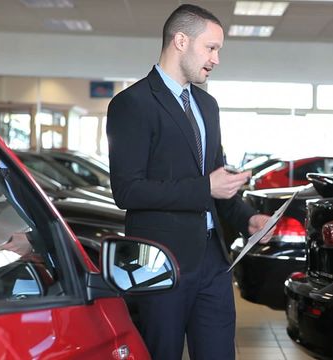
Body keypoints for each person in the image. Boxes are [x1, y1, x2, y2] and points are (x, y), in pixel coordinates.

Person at [106, 4, 271, 360]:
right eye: (210, 48)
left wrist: (247, 219)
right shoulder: (132, 104)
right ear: (181, 40)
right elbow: (127, 190)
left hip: (213, 261)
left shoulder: (207, 106)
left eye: (218, 50)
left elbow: (217, 180)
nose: (216, 59)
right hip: (160, 263)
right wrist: (205, 188)